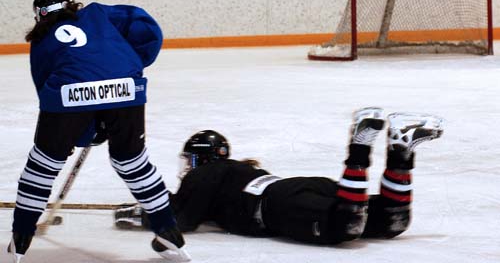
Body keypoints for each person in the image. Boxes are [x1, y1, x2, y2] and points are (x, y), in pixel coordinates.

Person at [7, 0, 190, 263]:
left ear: (40, 13)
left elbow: (51, 95)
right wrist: (130, 62)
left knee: (44, 164)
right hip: (127, 85)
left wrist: (84, 132)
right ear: (71, 3)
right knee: (132, 161)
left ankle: (20, 239)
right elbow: (145, 25)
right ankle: (168, 230)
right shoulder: (98, 13)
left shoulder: (42, 40)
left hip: (71, 92)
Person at [114, 107, 444, 245]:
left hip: (277, 207)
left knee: (346, 226)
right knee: (391, 221)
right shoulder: (236, 170)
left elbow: (182, 218)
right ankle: (402, 149)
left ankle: (361, 146)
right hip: (297, 187)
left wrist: (145, 214)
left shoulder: (202, 177)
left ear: (200, 158)